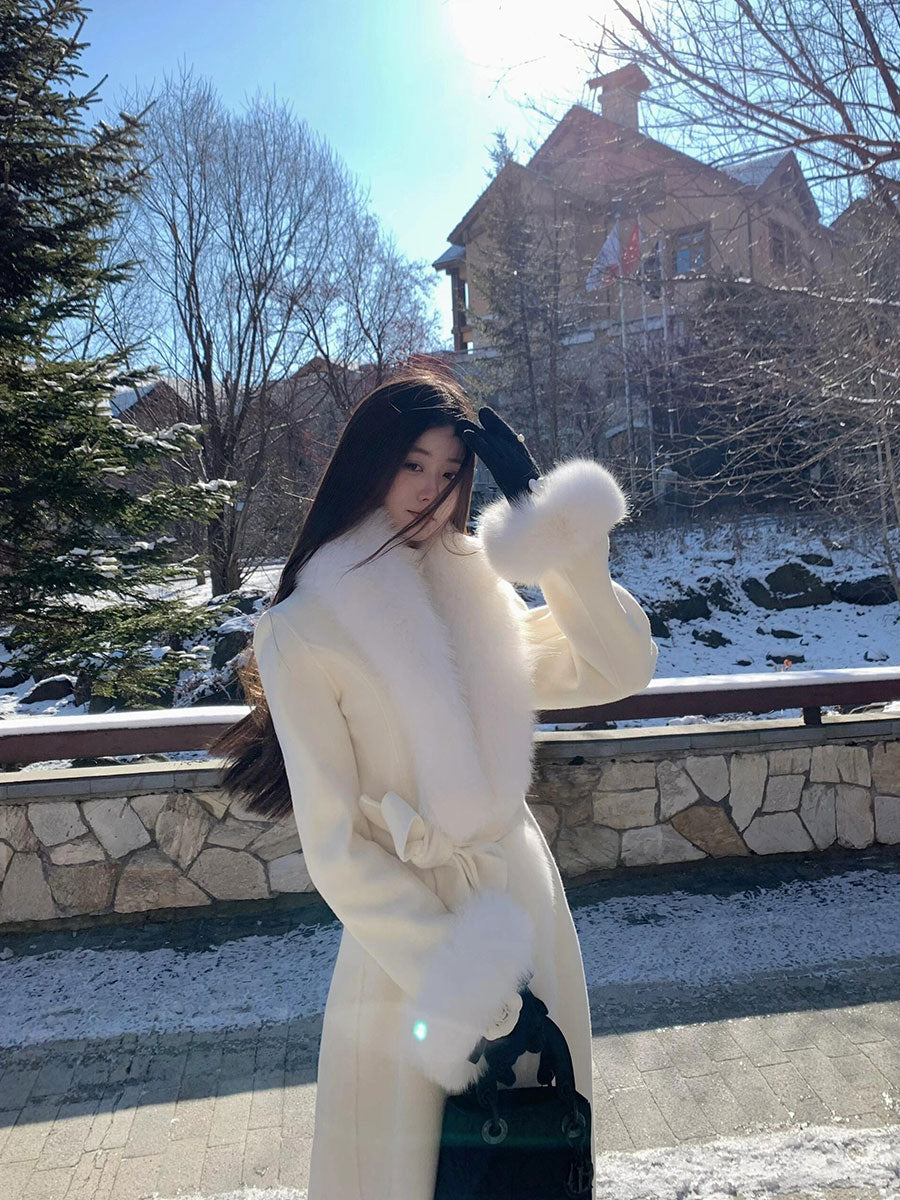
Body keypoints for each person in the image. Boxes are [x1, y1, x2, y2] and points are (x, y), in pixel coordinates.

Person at [216, 367, 657, 1200]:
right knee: (411, 1174)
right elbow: (337, 849)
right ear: (369, 463)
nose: (430, 490)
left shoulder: (475, 588)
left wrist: (549, 530)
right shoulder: (302, 629)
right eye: (412, 464)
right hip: (414, 956)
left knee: (530, 1165)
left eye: (451, 472)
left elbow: (616, 667)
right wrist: (475, 990)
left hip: (524, 912)